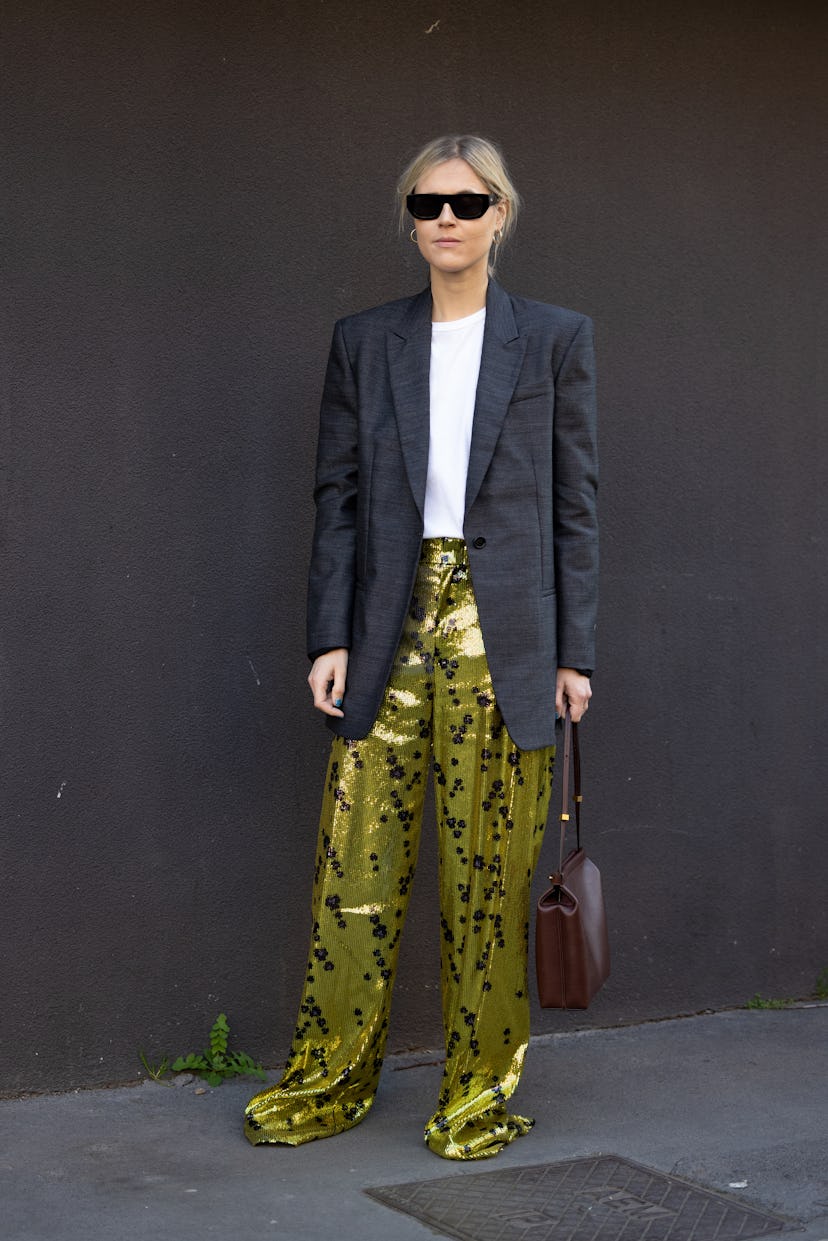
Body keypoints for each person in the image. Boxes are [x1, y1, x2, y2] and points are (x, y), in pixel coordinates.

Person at [244, 134, 598, 1161]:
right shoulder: (366, 341)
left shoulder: (556, 339)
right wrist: (330, 635)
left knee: (490, 872)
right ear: (410, 218)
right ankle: (331, 1076)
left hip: (509, 633)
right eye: (427, 202)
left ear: (500, 214)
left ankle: (478, 1092)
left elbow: (575, 505)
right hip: (388, 623)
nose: (446, 217)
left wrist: (576, 650)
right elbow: (339, 499)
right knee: (357, 864)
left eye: (467, 200)